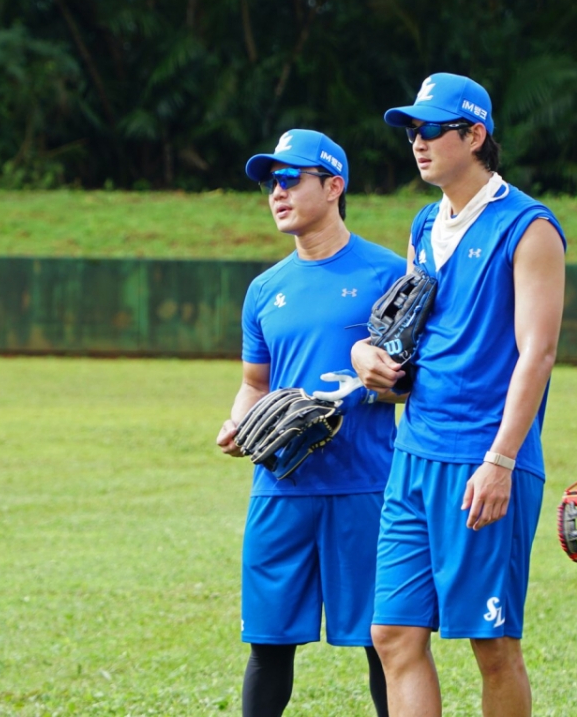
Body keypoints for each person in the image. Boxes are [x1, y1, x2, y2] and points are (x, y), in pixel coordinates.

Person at [351, 73, 566, 717]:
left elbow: (539, 354)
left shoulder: (529, 227)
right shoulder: (424, 222)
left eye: (431, 130)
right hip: (413, 453)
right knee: (392, 634)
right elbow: (403, 328)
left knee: (491, 643)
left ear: (475, 136)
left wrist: (500, 460)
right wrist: (370, 357)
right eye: (411, 130)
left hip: (482, 459)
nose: (417, 142)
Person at [215, 129, 406, 717]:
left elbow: (416, 379)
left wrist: (391, 382)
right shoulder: (264, 289)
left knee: (385, 644)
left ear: (333, 185)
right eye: (272, 183)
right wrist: (236, 423)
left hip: (365, 484)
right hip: (282, 487)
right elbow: (255, 384)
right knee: (268, 644)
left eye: (291, 179)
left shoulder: (389, 274)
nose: (277, 192)